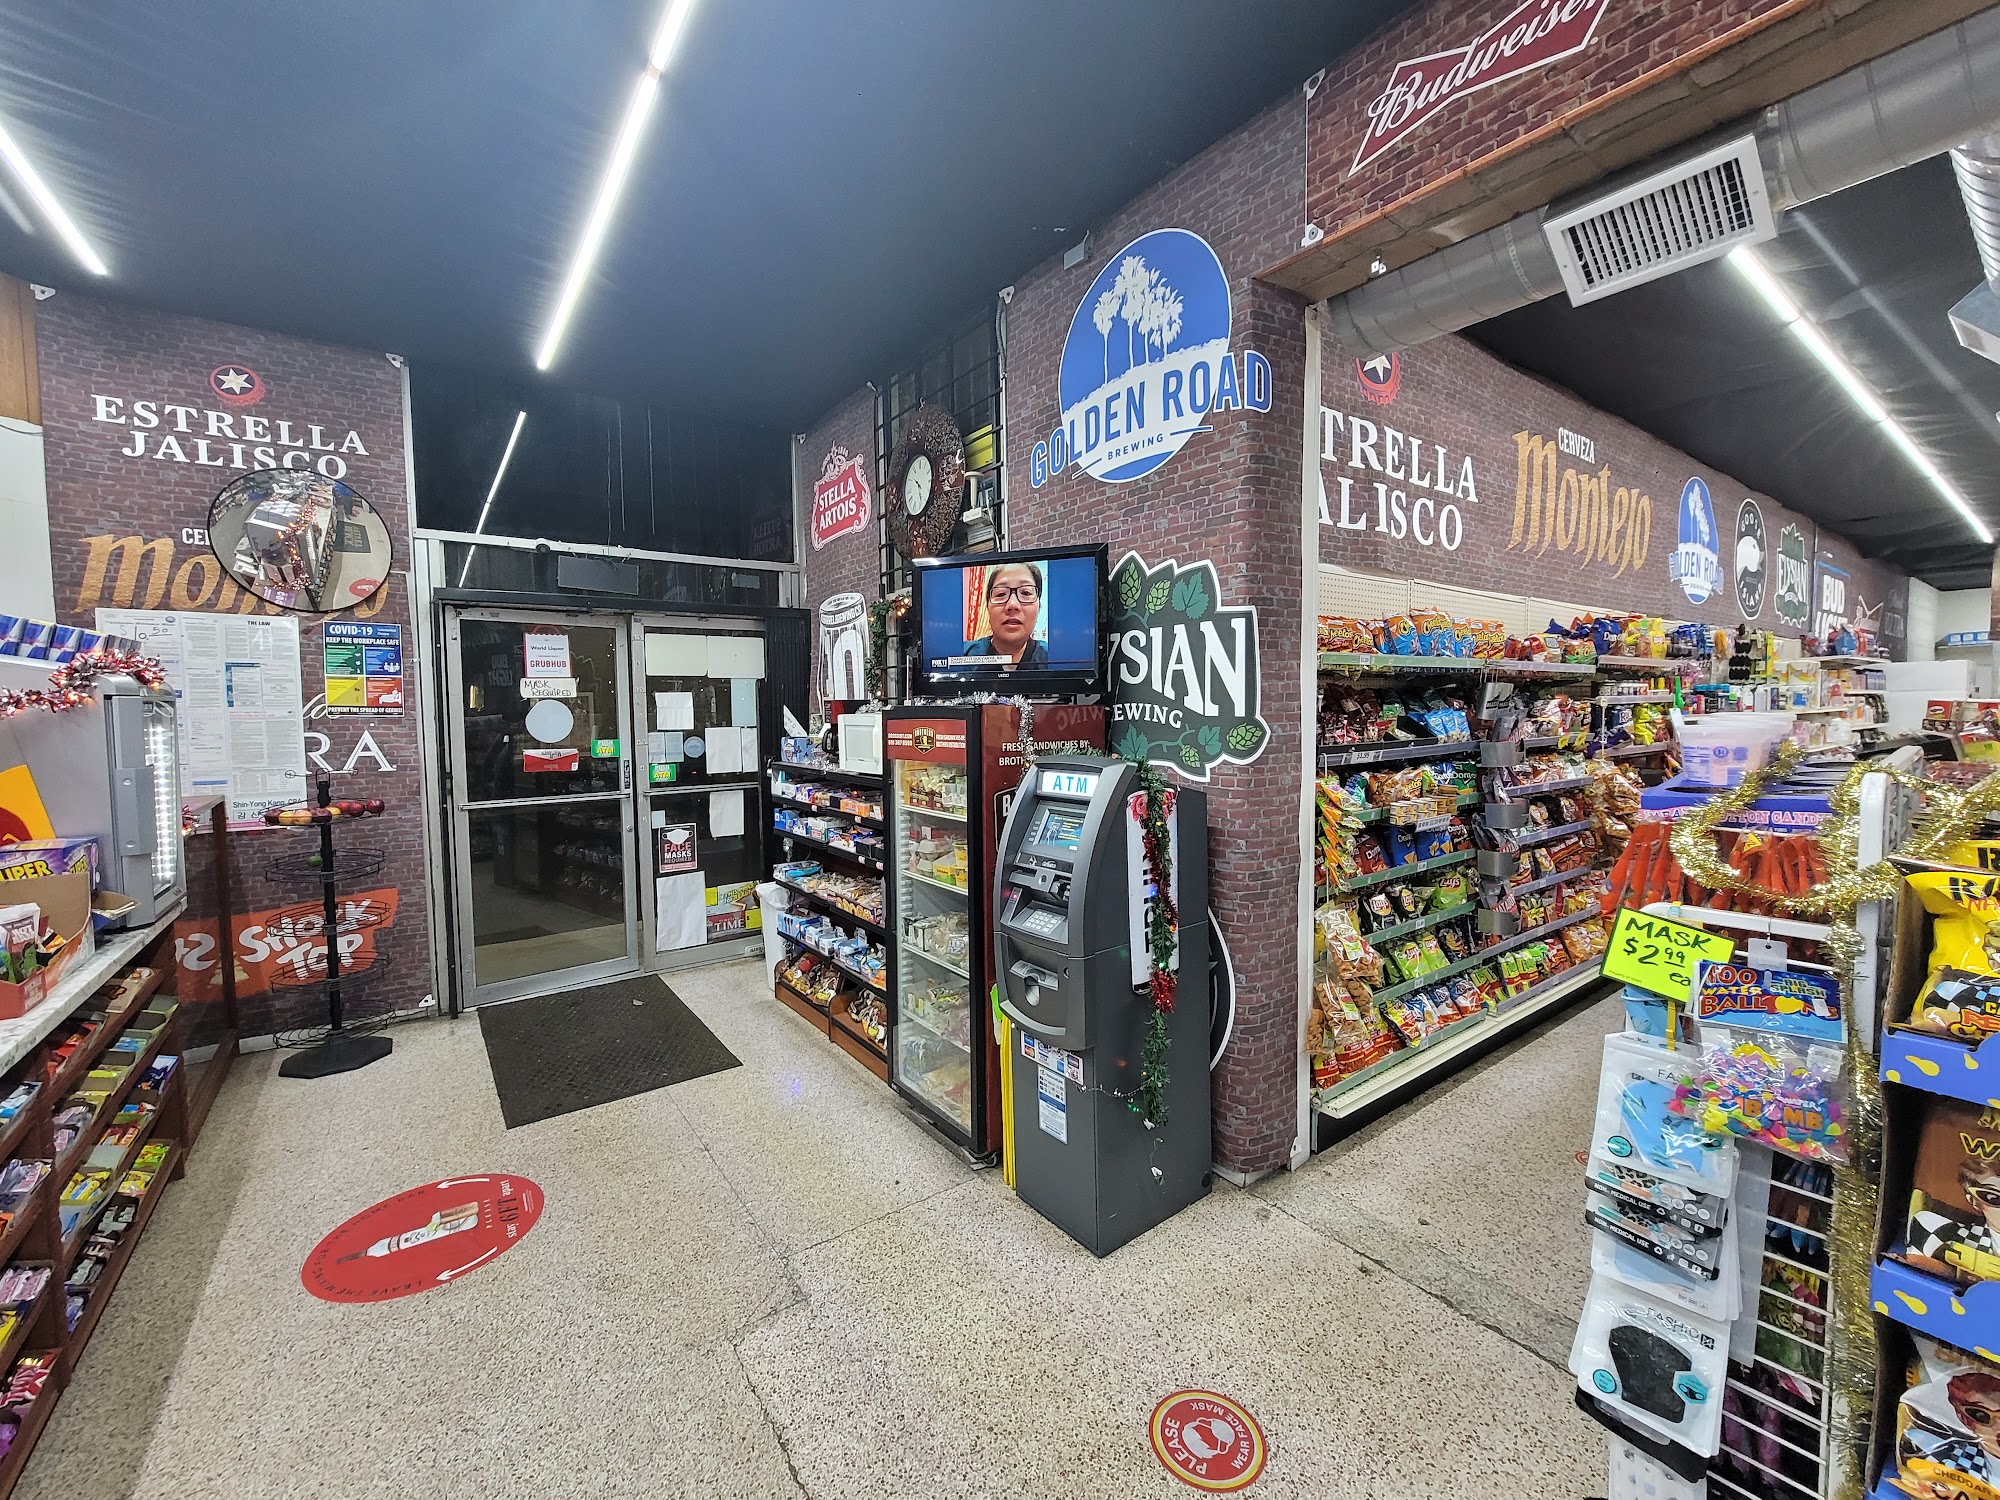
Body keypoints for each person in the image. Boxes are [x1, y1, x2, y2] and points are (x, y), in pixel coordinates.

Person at [960, 561, 1048, 671]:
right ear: (987, 607)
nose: (1012, 605)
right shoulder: (959, 655)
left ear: (1039, 607)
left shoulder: (1056, 658)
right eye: (1001, 594)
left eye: (1026, 593)